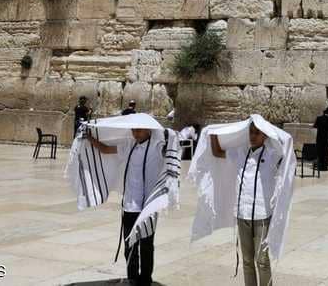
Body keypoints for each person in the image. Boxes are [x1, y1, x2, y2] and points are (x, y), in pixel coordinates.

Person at [191, 115, 296, 286]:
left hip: (262, 216)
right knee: (247, 261)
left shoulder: (273, 154)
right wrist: (213, 131)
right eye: (251, 132)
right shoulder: (240, 152)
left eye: (257, 133)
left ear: (265, 135)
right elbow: (217, 151)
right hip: (242, 214)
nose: (253, 136)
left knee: (262, 260)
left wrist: (266, 126)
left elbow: (287, 143)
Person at [79, 117, 179, 286]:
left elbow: (172, 142)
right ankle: (132, 278)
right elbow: (106, 149)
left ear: (148, 130)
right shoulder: (129, 145)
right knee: (130, 244)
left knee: (146, 244)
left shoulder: (158, 145)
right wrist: (89, 137)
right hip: (130, 204)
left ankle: (145, 279)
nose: (135, 133)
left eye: (139, 130)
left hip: (148, 205)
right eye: (133, 130)